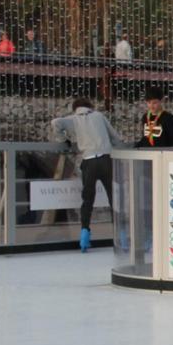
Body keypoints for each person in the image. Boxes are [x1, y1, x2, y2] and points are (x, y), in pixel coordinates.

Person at [51, 97, 125, 253]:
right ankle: (121, 236)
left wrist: (64, 139)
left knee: (88, 199)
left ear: (75, 108)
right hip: (106, 160)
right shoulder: (99, 116)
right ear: (89, 106)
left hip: (89, 162)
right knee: (114, 198)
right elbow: (115, 137)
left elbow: (55, 122)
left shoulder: (73, 119)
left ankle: (85, 234)